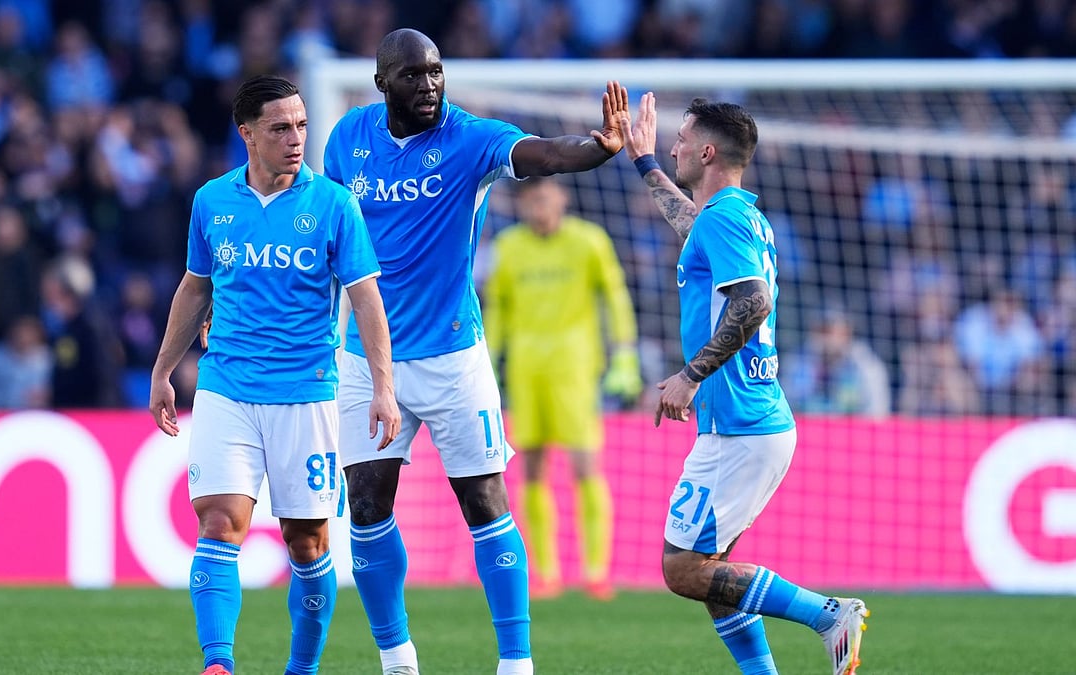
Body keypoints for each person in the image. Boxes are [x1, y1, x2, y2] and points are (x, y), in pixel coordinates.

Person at [321, 28, 629, 675]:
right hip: (366, 358)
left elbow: (541, 153)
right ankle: (396, 657)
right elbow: (333, 236)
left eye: (435, 72)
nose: (429, 85)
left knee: (486, 502)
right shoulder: (346, 140)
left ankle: (516, 662)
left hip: (454, 358)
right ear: (383, 84)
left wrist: (596, 149)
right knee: (368, 505)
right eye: (413, 75)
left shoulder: (469, 139)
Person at [149, 75, 401, 675]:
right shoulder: (213, 201)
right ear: (248, 135)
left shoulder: (335, 204)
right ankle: (218, 664)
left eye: (302, 126)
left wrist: (384, 388)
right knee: (218, 521)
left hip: (306, 393)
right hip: (226, 387)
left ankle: (301, 670)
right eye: (280, 128)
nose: (296, 139)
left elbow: (366, 299)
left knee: (307, 542)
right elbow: (195, 286)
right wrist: (162, 370)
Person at [622, 92, 869, 675]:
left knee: (683, 570)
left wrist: (689, 375)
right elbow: (691, 225)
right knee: (715, 576)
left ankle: (828, 613)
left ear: (707, 151)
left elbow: (752, 301)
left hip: (742, 425)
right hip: (745, 420)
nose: (674, 145)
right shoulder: (730, 217)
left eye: (680, 139)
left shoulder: (728, 217)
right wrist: (644, 163)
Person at [482, 176, 642, 601]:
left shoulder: (589, 241)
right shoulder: (509, 248)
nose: (539, 206)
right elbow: (496, 309)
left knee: (585, 465)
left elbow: (615, 295)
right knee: (531, 467)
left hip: (575, 368)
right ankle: (546, 572)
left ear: (562, 198)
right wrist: (487, 362)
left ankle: (596, 571)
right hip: (526, 369)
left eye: (546, 197)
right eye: (531, 199)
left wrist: (625, 352)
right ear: (521, 204)